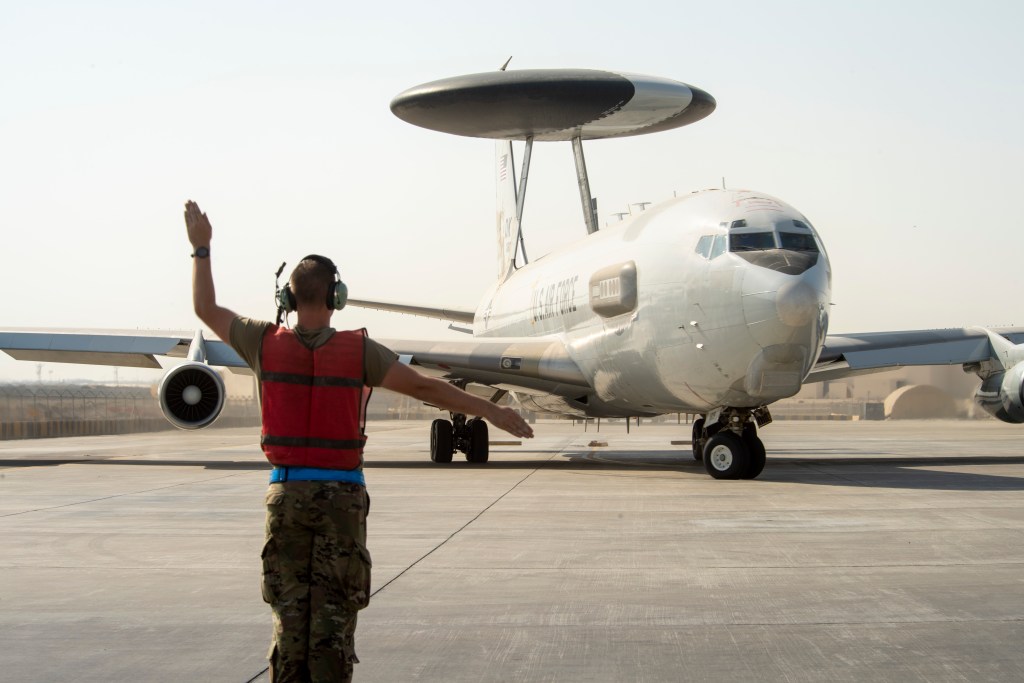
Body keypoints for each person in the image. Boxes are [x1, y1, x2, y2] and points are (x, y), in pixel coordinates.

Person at [183, 200, 533, 682]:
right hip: (341, 501)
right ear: (337, 297)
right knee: (332, 627)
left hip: (285, 495)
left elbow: (204, 309)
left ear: (288, 297)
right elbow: (426, 388)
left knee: (289, 624)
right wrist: (491, 410)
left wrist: (201, 248)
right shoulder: (359, 352)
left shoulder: (261, 341)